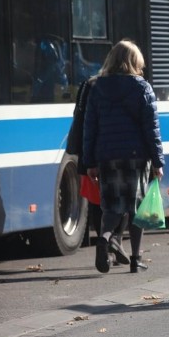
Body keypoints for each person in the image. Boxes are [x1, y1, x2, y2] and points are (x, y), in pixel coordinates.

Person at [83, 40, 165, 274]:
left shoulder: (97, 88)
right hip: (136, 157)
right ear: (133, 62)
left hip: (106, 156)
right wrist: (158, 161)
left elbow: (90, 127)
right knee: (136, 209)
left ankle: (105, 238)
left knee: (112, 207)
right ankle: (135, 259)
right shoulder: (142, 88)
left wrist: (90, 162)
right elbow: (152, 129)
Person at [66, 76, 128, 266]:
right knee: (124, 199)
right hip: (120, 153)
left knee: (97, 201)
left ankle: (106, 245)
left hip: (91, 154)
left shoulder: (89, 84)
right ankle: (113, 239)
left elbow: (83, 120)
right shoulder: (128, 85)